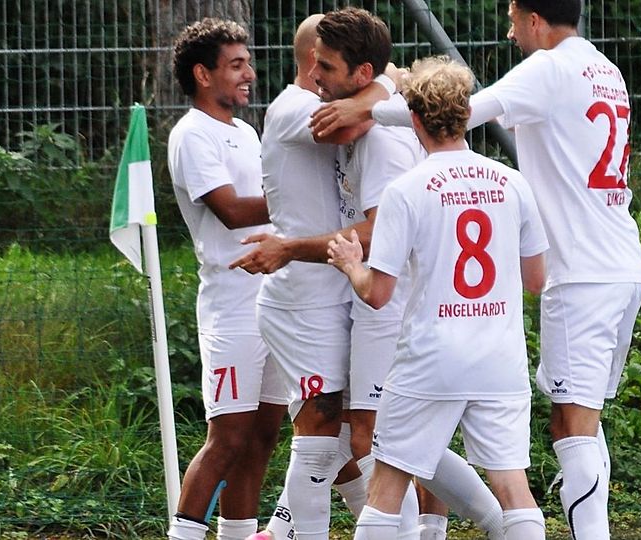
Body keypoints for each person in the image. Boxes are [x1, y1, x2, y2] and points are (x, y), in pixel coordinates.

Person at [311, 2, 641, 538]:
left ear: (535, 18)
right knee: (571, 436)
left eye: (513, 18)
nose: (510, 31)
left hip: (576, 273)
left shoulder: (547, 68)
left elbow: (467, 108)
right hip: (619, 264)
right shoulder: (603, 71)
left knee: (570, 430)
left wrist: (370, 108)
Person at [232, 8, 509, 540]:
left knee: (375, 439)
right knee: (375, 437)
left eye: (328, 67)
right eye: (314, 65)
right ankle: (479, 522)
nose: (317, 79)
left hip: (387, 302)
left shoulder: (378, 139)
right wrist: (383, 88)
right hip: (394, 302)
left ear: (359, 75)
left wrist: (290, 248)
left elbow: (378, 232)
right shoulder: (370, 119)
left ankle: (490, 521)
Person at [326, 56, 549, 540]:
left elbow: (378, 294)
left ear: (414, 120)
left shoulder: (407, 189)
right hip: (499, 356)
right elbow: (537, 278)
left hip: (431, 356)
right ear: (467, 115)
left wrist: (349, 264)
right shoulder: (512, 183)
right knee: (514, 487)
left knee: (388, 484)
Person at [241, 14, 376, 540]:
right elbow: (361, 122)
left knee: (351, 430)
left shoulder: (321, 101)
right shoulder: (295, 107)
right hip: (302, 299)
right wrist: (386, 85)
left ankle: (288, 528)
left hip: (334, 289)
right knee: (323, 428)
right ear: (315, 61)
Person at [165, 18, 288, 540]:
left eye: (247, 63)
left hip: (274, 300)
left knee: (263, 435)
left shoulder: (245, 132)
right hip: (230, 307)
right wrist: (295, 197)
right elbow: (233, 213)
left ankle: (239, 535)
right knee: (228, 437)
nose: (249, 75)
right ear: (202, 74)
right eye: (235, 65)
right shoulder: (191, 135)